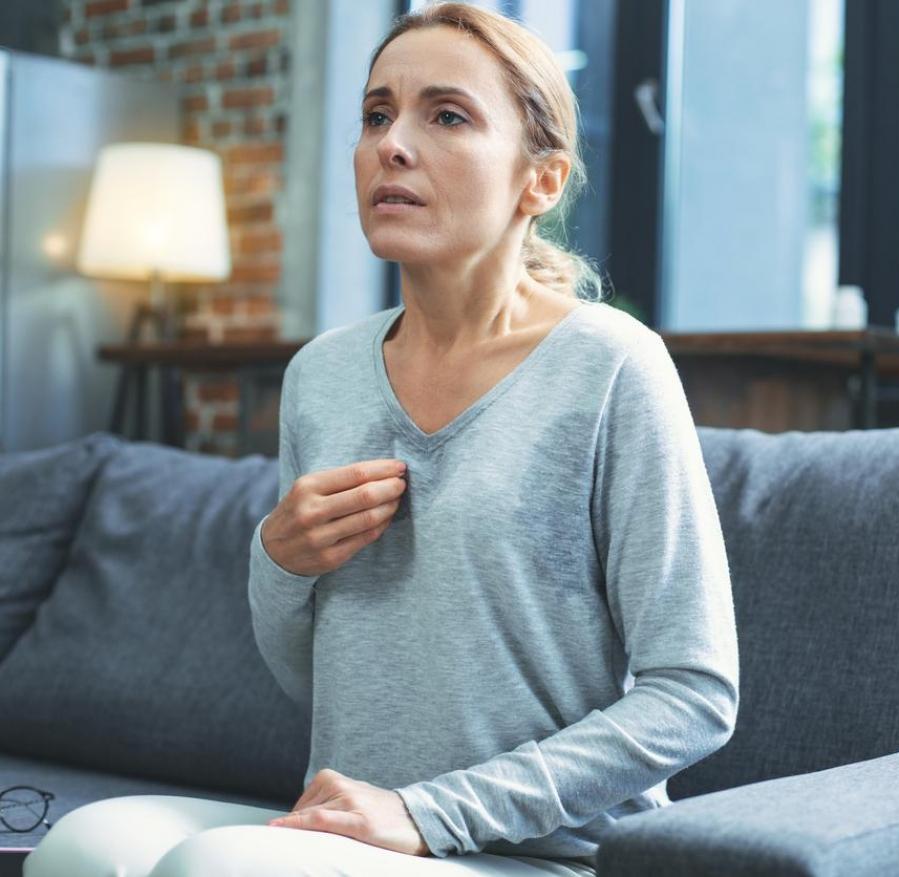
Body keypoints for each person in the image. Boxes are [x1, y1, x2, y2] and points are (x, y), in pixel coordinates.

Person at [23, 3, 739, 875]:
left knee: (216, 868)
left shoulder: (612, 367)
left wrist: (427, 811)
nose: (391, 145)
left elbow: (694, 695)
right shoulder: (321, 376)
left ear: (540, 181)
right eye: (375, 114)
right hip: (351, 832)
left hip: (542, 850)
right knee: (83, 847)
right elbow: (316, 683)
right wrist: (279, 560)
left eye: (446, 115)